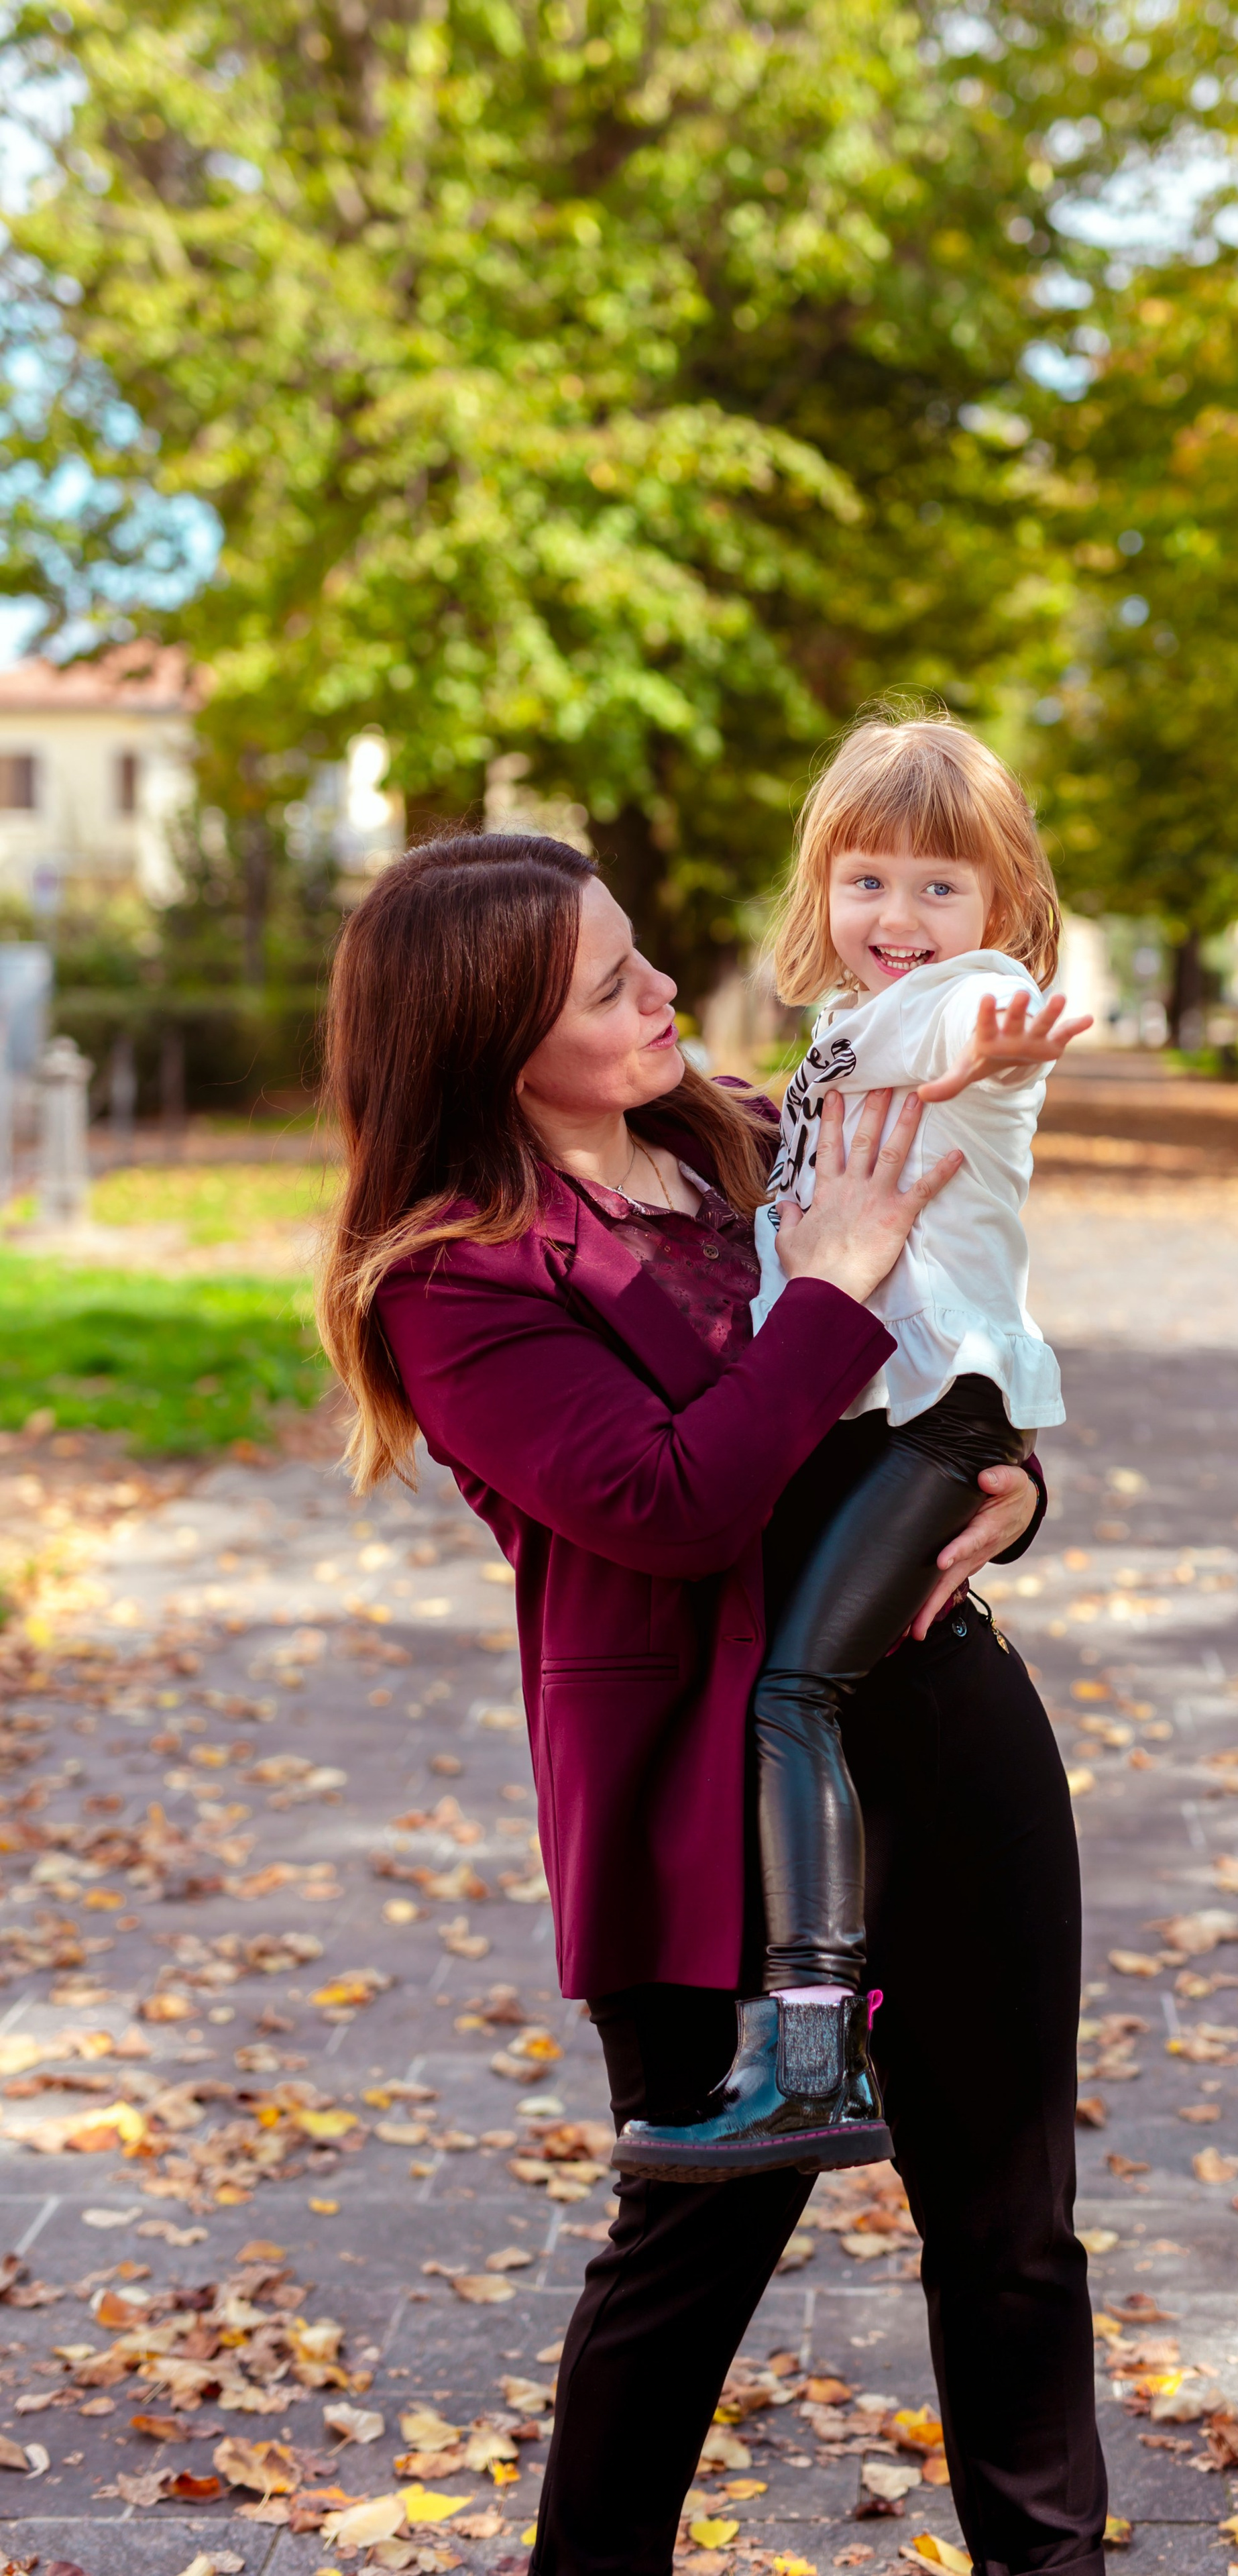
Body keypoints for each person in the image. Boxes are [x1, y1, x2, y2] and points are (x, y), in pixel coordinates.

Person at [315, 828, 1107, 2576]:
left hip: (943, 1727)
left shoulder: (736, 1133)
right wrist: (822, 1283)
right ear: (487, 1044)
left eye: (639, 954)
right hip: (705, 1803)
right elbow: (674, 1506)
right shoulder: (462, 1278)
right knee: (691, 2258)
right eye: (610, 987)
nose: (665, 988)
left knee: (1014, 2233)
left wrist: (1022, 1493)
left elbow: (961, 1331)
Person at [614, 712, 1090, 2183]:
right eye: (867, 880)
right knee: (801, 1684)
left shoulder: (969, 1003)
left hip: (938, 1401)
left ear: (999, 910)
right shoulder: (834, 1035)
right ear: (822, 884)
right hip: (893, 1405)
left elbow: (972, 1041)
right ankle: (808, 2036)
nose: (900, 917)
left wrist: (987, 1037)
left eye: (939, 887)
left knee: (794, 1688)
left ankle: (809, 2051)